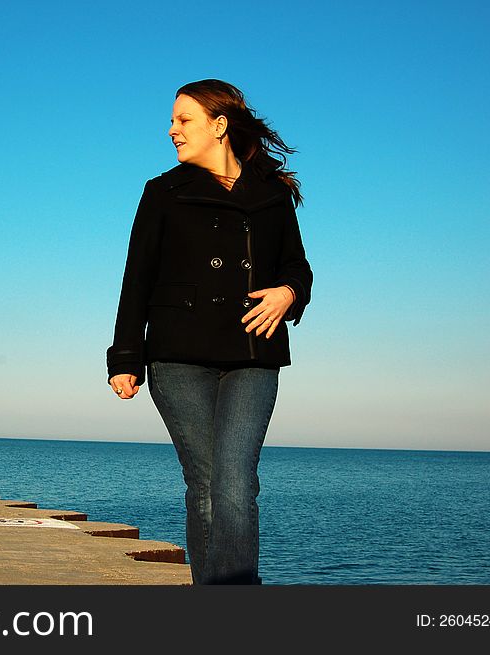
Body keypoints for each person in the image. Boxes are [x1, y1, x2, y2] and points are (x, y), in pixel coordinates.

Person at [107, 79, 313, 584]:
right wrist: (126, 356)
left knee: (236, 482)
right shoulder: (162, 192)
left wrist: (288, 293)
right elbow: (137, 277)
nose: (171, 130)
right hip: (179, 356)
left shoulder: (272, 196)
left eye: (183, 120)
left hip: (254, 353)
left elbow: (298, 267)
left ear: (219, 126)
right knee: (205, 482)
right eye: (172, 121)